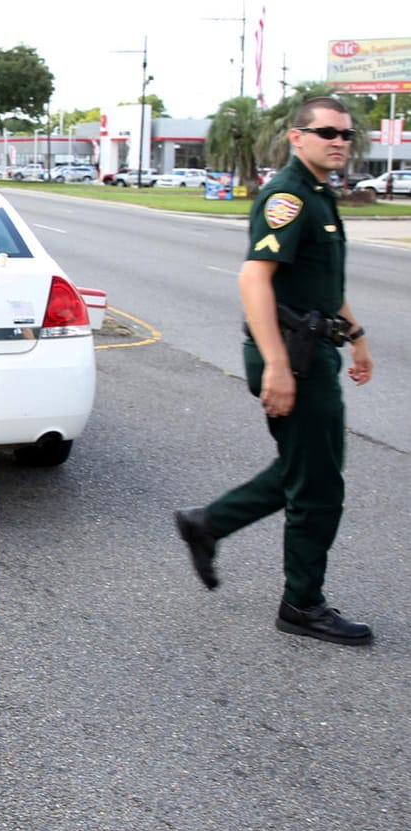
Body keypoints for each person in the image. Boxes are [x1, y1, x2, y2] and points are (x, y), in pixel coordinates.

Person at [174, 96, 374, 646]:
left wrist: (355, 337)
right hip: (292, 354)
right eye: (327, 132)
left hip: (314, 348)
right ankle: (302, 604)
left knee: (303, 467)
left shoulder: (318, 194)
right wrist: (280, 370)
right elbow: (253, 281)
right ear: (297, 137)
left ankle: (207, 523)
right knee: (319, 485)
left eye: (346, 135)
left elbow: (323, 286)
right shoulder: (287, 195)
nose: (338, 141)